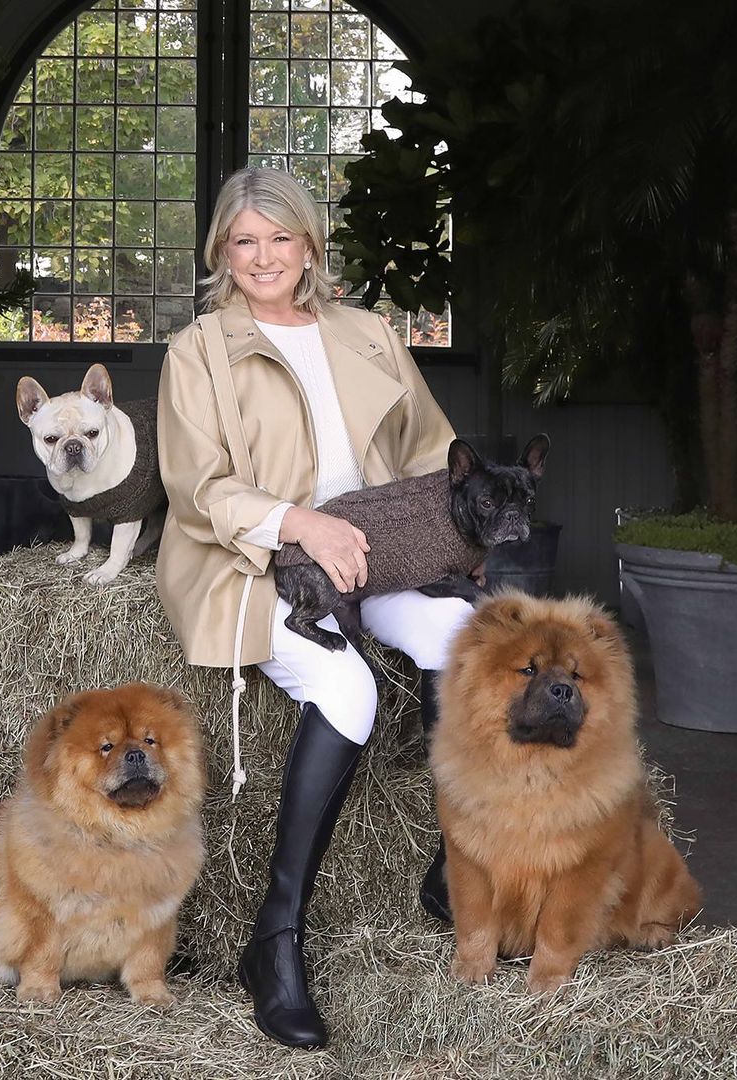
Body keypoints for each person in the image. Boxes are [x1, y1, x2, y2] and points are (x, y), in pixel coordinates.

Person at [155, 167, 471, 1049]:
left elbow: (433, 450)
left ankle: (459, 868)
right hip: (256, 557)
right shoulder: (201, 351)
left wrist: (461, 533)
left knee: (466, 637)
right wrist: (302, 525)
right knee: (351, 693)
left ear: (309, 246)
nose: (263, 257)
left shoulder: (368, 333)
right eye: (244, 241)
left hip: (375, 547)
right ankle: (276, 936)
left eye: (280, 238)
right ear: (223, 250)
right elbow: (199, 489)